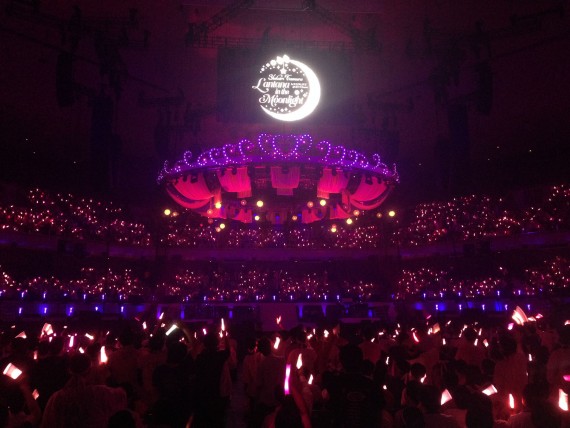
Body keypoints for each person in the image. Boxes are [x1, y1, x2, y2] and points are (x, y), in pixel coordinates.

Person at [41, 353, 127, 428]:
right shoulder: (99, 393)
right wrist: (102, 377)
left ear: (69, 371)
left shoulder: (56, 398)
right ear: (90, 371)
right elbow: (123, 397)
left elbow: (46, 423)